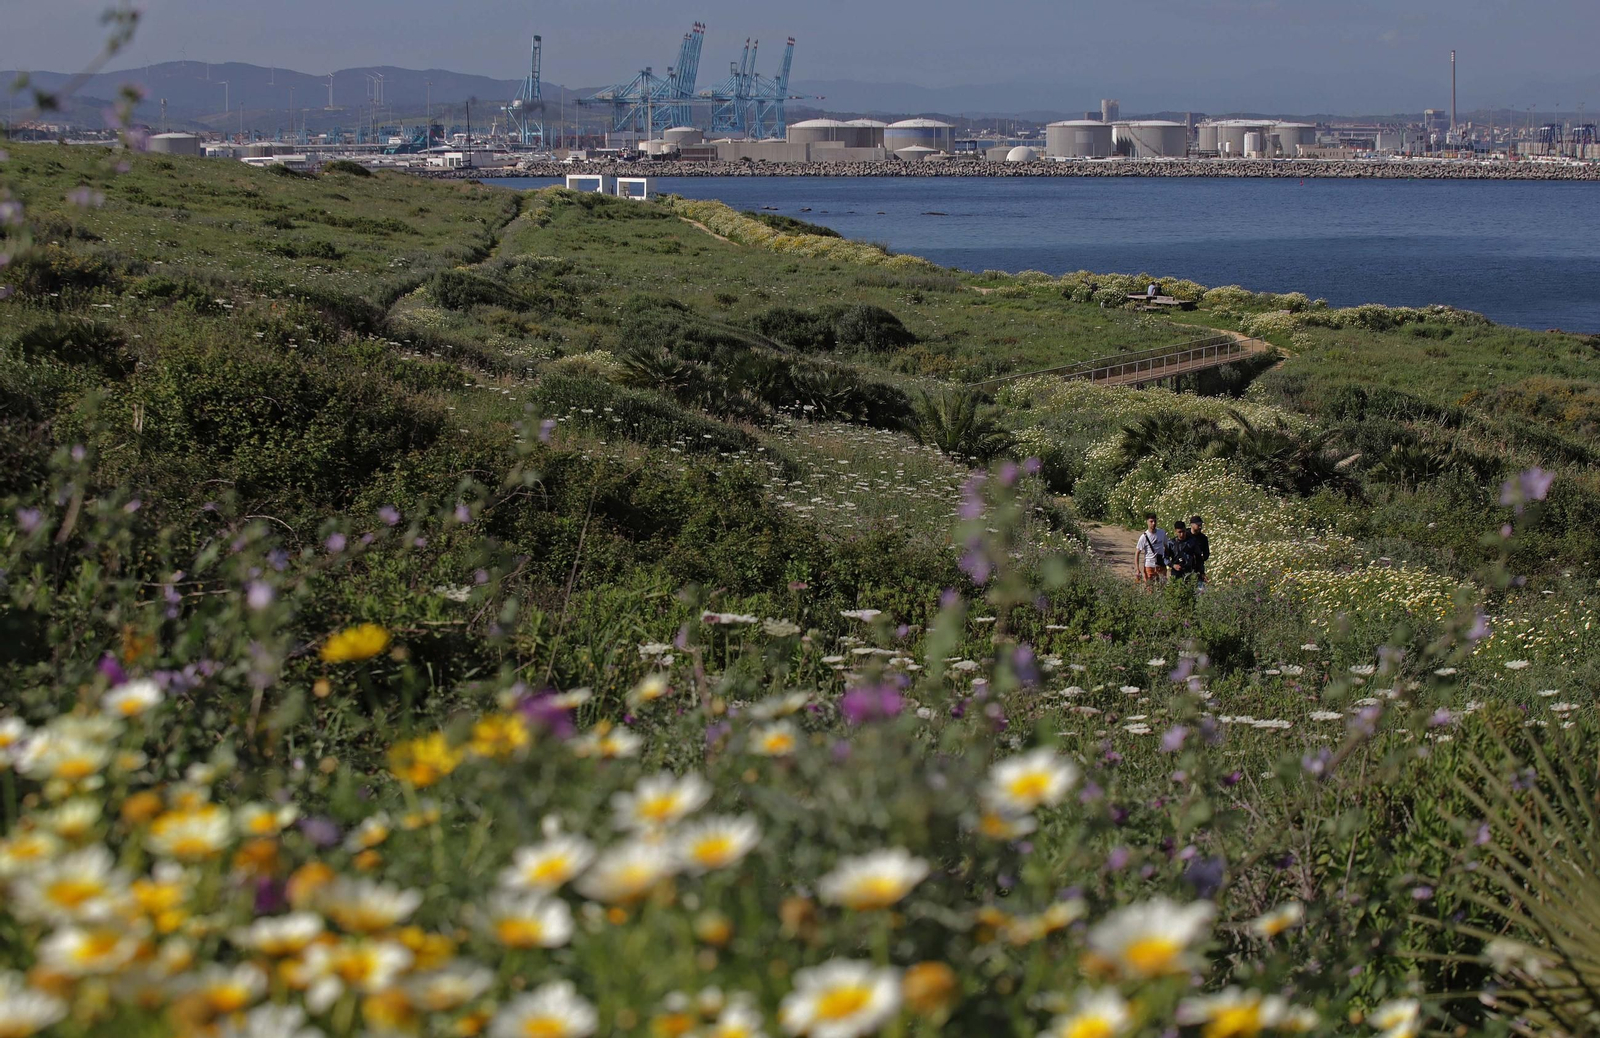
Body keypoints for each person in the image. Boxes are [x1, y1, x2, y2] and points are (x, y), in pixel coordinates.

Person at [1133, 513, 1169, 585]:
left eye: (1155, 521)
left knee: (1162, 587)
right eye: (1151, 521)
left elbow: (1167, 546)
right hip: (1149, 566)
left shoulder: (1162, 533)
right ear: (1147, 522)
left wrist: (1167, 560)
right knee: (1150, 588)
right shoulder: (1144, 537)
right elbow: (1137, 553)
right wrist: (1137, 569)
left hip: (1161, 565)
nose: (1153, 523)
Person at [1187, 515, 1210, 588]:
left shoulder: (1203, 538)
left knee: (1201, 591)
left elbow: (1206, 553)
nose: (1200, 527)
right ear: (1192, 524)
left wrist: (1200, 558)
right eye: (1198, 525)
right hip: (1186, 568)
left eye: (1201, 525)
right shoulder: (1185, 535)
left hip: (1199, 568)